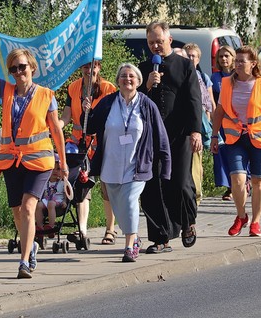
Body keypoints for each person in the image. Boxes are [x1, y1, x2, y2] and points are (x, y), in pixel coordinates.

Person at [0, 17, 68, 279]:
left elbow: (56, 131)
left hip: (39, 161)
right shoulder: (6, 90)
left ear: (33, 68)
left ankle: (24, 261)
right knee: (18, 211)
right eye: (14, 69)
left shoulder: (46, 95)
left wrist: (62, 164)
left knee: (29, 207)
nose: (19, 72)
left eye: (23, 67)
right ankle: (32, 246)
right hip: (11, 160)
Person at [85, 63, 171, 262]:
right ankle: (133, 236)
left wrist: (166, 166)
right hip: (111, 165)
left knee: (130, 201)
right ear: (117, 81)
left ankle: (130, 246)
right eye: (123, 76)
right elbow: (89, 127)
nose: (127, 79)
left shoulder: (147, 104)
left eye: (131, 76)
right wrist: (87, 112)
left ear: (139, 81)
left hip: (137, 165)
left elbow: (161, 136)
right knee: (119, 208)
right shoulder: (108, 103)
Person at [139, 21, 202, 253]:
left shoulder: (185, 66)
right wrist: (146, 85)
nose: (156, 46)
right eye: (151, 42)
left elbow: (194, 99)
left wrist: (196, 131)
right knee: (153, 186)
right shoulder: (144, 67)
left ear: (169, 40)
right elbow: (133, 100)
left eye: (159, 41)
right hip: (152, 136)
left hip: (180, 134)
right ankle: (161, 238)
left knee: (180, 183)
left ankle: (187, 222)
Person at [211, 46, 261, 236]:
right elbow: (220, 111)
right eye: (237, 61)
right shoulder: (226, 83)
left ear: (253, 63)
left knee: (259, 180)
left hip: (260, 137)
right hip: (235, 138)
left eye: (242, 61)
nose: (238, 64)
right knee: (237, 178)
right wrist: (214, 136)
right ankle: (241, 216)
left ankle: (256, 222)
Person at [59, 61, 118, 245]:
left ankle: (110, 229)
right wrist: (55, 127)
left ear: (99, 67)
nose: (89, 69)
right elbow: (66, 116)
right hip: (79, 143)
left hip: (102, 142)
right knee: (80, 182)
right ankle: (83, 230)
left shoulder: (109, 88)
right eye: (85, 66)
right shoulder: (74, 87)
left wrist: (90, 112)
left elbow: (112, 115)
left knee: (107, 186)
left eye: (93, 65)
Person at [183, 43, 216, 206]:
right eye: (187, 55)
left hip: (200, 122)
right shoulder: (180, 74)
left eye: (193, 56)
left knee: (197, 159)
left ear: (198, 59)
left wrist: (211, 126)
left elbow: (209, 104)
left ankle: (197, 193)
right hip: (187, 123)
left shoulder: (202, 78)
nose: (190, 59)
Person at [211, 45, 236, 201]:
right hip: (222, 121)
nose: (224, 59)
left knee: (237, 152)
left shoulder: (238, 75)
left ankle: (242, 182)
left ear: (233, 57)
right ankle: (229, 187)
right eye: (221, 57)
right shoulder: (215, 78)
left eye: (227, 56)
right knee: (223, 153)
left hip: (238, 121)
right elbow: (213, 101)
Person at [35, 154, 67, 244]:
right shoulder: (45, 182)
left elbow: (66, 193)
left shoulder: (62, 183)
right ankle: (40, 227)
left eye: (58, 169)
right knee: (39, 205)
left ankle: (51, 227)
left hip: (58, 201)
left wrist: (65, 201)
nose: (55, 171)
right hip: (47, 199)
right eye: (52, 169)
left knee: (51, 204)